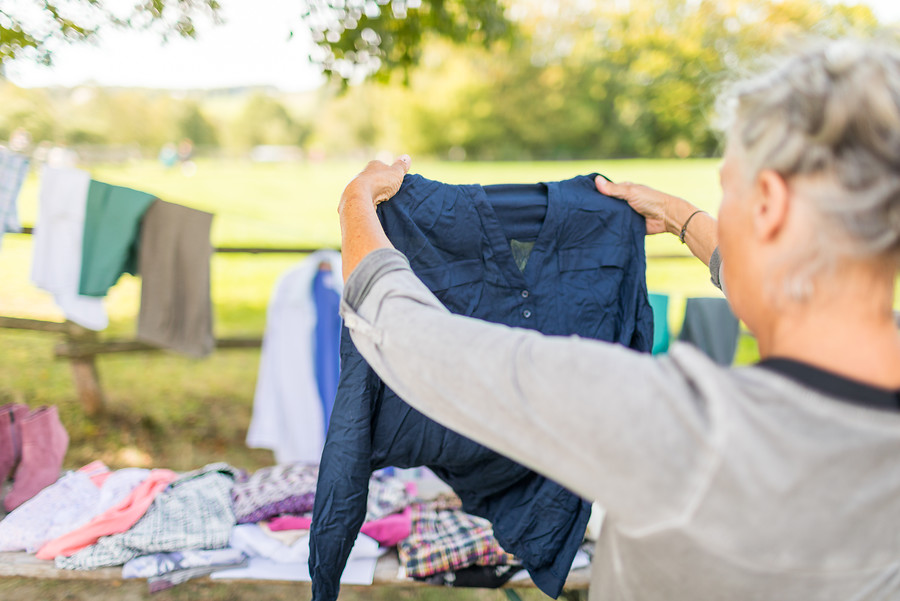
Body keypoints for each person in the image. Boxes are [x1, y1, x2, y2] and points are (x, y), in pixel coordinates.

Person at [335, 38, 900, 600]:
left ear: (770, 205)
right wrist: (683, 218)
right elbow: (792, 297)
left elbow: (411, 340)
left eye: (729, 192)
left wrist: (357, 203)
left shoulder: (679, 428)